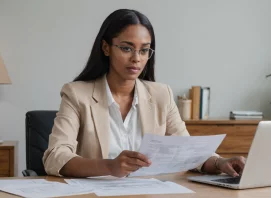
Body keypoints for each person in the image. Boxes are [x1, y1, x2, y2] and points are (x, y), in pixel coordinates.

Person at [43, 9, 246, 178]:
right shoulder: (77, 94)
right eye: (126, 48)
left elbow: (187, 151)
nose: (136, 59)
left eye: (144, 50)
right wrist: (110, 166)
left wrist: (220, 162)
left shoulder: (161, 95)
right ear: (106, 47)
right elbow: (55, 156)